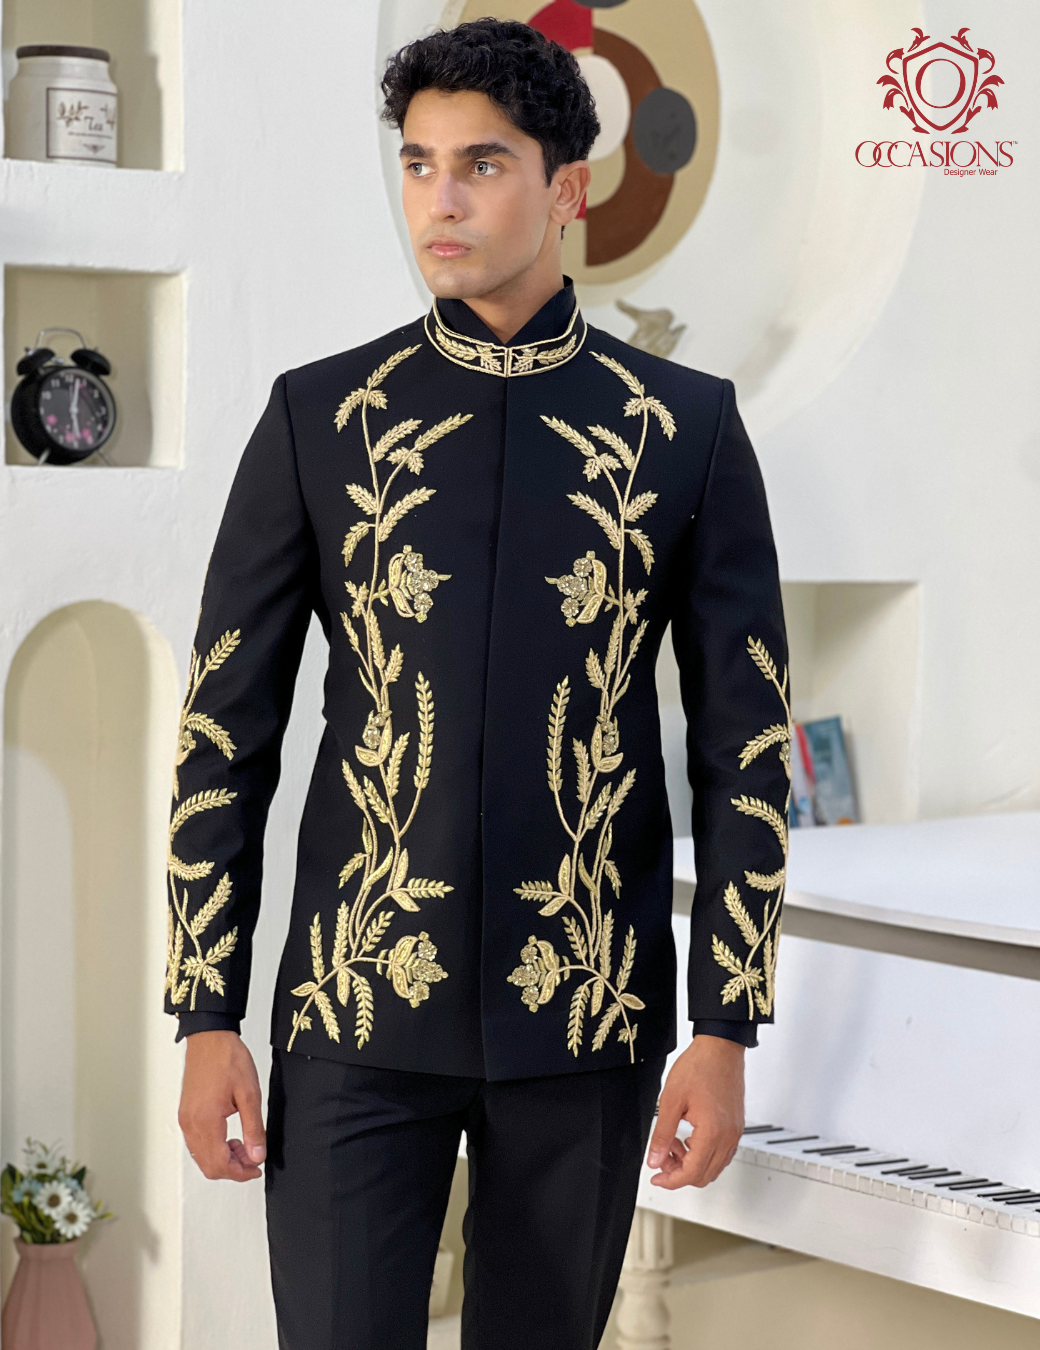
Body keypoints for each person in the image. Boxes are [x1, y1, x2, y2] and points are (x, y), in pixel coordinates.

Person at [167, 18, 790, 1350]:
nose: (439, 201)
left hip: (588, 1019)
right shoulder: (323, 419)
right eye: (418, 163)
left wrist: (725, 1025)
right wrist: (205, 1011)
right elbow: (225, 731)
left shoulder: (681, 431)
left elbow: (746, 749)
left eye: (483, 164)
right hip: (353, 1011)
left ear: (569, 189)